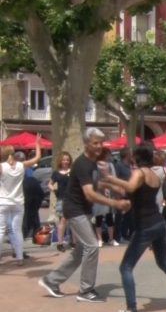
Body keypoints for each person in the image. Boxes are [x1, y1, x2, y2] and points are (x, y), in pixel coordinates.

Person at [101, 144, 166, 312]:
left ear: (136, 157)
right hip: (159, 224)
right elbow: (129, 191)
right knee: (164, 263)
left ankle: (131, 309)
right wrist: (109, 183)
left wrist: (109, 177)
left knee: (126, 267)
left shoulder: (140, 173)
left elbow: (128, 187)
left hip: (146, 226)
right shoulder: (153, 174)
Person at [38, 128, 131, 301]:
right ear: (86, 143)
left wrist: (115, 187)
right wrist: (115, 203)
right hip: (74, 210)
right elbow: (89, 193)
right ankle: (85, 290)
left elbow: (96, 185)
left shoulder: (93, 163)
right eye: (95, 143)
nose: (98, 146)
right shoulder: (82, 164)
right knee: (92, 246)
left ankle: (51, 280)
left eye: (101, 143)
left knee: (81, 250)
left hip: (83, 210)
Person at [0, 136, 42, 266]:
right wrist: (37, 145)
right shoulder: (21, 165)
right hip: (18, 203)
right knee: (16, 230)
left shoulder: (1, 167)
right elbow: (37, 158)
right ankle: (19, 258)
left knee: (1, 230)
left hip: (3, 202)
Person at [49, 151, 72, 252]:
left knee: (74, 221)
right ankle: (60, 243)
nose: (65, 162)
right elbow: (50, 184)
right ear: (60, 161)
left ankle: (74, 242)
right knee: (63, 220)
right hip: (62, 198)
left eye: (67, 160)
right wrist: (53, 189)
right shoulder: (56, 173)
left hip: (72, 199)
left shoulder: (72, 171)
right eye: (63, 160)